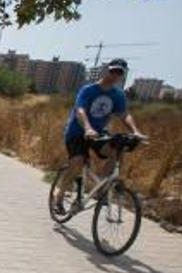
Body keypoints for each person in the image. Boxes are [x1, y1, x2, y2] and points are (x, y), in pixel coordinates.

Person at [54, 58, 146, 214]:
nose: (115, 75)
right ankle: (59, 196)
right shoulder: (89, 90)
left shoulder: (118, 95)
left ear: (123, 75)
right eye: (113, 71)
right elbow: (80, 110)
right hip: (77, 132)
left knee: (117, 150)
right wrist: (88, 128)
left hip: (98, 133)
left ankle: (101, 188)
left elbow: (124, 114)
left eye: (120, 72)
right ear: (107, 70)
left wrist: (135, 131)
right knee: (77, 162)